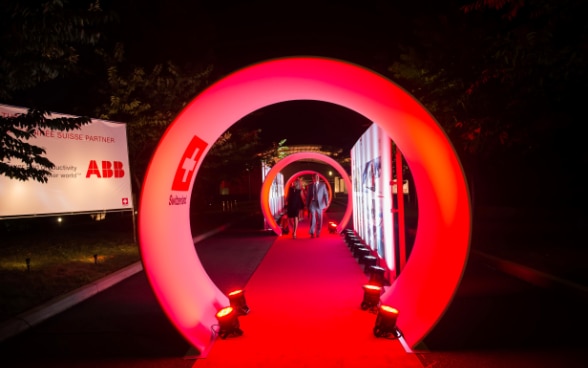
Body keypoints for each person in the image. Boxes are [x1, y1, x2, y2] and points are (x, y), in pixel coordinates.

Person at [306, 173, 329, 238]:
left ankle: (318, 232)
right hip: (313, 203)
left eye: (317, 177)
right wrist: (307, 204)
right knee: (312, 217)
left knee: (319, 218)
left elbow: (326, 194)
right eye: (315, 177)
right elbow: (308, 196)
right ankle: (312, 232)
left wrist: (327, 202)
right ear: (313, 178)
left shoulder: (322, 185)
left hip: (320, 203)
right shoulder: (310, 186)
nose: (316, 178)